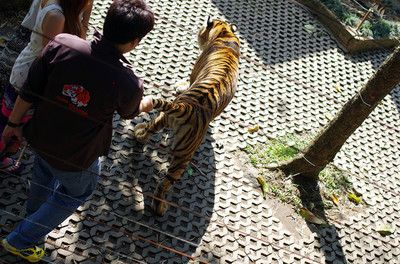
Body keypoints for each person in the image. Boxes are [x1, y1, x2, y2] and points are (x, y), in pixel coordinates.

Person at [0, 0, 155, 262]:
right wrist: (148, 102)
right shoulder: (128, 82)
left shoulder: (63, 43)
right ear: (135, 41)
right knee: (78, 191)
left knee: (43, 173)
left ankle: (33, 219)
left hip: (39, 136)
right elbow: (130, 112)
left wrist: (12, 126)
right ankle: (22, 239)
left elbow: (30, 88)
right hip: (77, 156)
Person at [0, 0, 93, 172]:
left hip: (36, 73)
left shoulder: (67, 9)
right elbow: (49, 59)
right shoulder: (57, 16)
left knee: (15, 119)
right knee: (11, 120)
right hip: (30, 75)